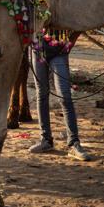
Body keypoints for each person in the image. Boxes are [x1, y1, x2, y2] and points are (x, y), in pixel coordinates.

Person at [28, 31, 93, 161]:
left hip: (59, 49)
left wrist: (70, 42)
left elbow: (77, 24)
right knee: (42, 94)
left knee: (65, 97)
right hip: (38, 48)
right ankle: (46, 139)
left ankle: (74, 143)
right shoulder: (35, 9)